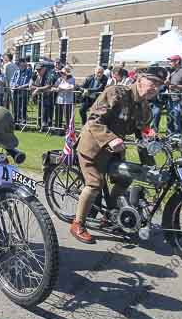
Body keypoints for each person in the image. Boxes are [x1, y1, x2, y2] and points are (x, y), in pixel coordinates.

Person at [70, 67, 167, 244]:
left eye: (159, 85)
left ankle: (111, 215)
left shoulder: (145, 107)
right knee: (94, 184)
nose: (155, 87)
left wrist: (150, 163)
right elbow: (94, 120)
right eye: (152, 82)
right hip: (93, 147)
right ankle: (78, 224)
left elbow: (143, 133)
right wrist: (111, 139)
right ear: (139, 80)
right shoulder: (116, 92)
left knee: (125, 178)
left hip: (115, 151)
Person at [30, 60, 57, 132]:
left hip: (51, 96)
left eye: (39, 70)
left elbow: (48, 86)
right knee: (40, 110)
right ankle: (41, 126)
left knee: (48, 112)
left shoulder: (49, 74)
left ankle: (48, 127)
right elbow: (31, 85)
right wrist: (37, 87)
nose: (38, 71)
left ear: (44, 68)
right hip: (43, 96)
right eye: (37, 70)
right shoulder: (38, 75)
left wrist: (37, 89)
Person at [10, 58, 32, 125]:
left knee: (23, 108)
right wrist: (14, 85)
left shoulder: (29, 72)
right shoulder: (16, 72)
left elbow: (30, 82)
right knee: (15, 107)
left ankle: (23, 122)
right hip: (16, 92)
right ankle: (16, 121)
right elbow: (12, 81)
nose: (21, 66)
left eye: (22, 64)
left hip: (24, 92)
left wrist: (21, 87)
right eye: (19, 65)